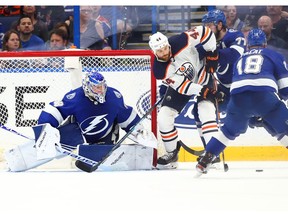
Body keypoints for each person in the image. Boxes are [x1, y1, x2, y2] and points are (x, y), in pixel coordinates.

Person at [5, 72, 157, 172]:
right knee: (65, 137)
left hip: (107, 135)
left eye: (102, 86)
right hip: (79, 133)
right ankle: (17, 160)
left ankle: (100, 151)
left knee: (92, 162)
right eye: (96, 87)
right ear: (87, 87)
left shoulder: (114, 96)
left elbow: (126, 115)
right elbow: (53, 110)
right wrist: (45, 129)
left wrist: (138, 130)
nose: (100, 90)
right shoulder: (75, 97)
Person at [196, 29, 288, 175]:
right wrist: (277, 105)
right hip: (264, 97)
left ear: (248, 45)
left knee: (227, 132)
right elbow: (285, 88)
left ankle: (205, 160)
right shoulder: (274, 54)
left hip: (237, 99)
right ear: (265, 43)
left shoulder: (240, 58)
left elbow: (241, 84)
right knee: (281, 126)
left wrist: (250, 114)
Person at [148, 26, 220, 169]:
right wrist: (202, 91)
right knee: (164, 117)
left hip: (203, 74)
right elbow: (182, 86)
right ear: (154, 52)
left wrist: (212, 51)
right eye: (160, 51)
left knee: (205, 111)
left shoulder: (180, 40)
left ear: (168, 44)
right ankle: (172, 154)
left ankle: (213, 154)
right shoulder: (160, 70)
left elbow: (205, 32)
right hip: (184, 85)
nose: (164, 53)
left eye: (165, 48)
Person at [198, 9, 246, 149]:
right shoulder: (206, 42)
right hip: (223, 88)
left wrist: (211, 53)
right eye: (204, 26)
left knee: (259, 119)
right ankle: (209, 150)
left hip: (241, 89)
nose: (206, 29)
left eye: (209, 25)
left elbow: (233, 55)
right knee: (200, 109)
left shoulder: (235, 35)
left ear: (220, 25)